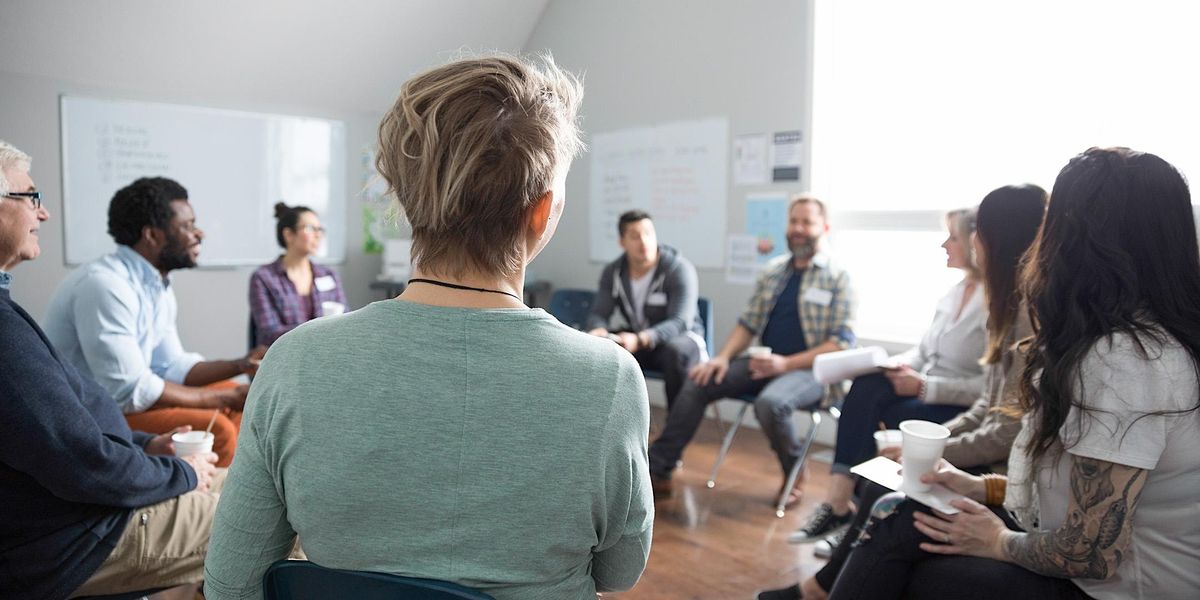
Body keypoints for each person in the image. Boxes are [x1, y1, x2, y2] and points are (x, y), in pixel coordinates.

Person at [203, 54, 652, 600]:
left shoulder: (295, 362)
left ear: (405, 198)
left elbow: (232, 584)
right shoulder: (607, 379)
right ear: (542, 213)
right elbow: (620, 570)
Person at [826, 148, 1200, 600]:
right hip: (1090, 561)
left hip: (1115, 589)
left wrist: (997, 542)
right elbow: (1070, 494)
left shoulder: (1123, 360)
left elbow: (1092, 553)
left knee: (918, 556)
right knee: (902, 514)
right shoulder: (1140, 339)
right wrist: (979, 487)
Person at [758, 185, 1046, 600]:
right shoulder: (970, 299)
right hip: (952, 409)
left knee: (883, 487)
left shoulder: (1017, 314)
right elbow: (981, 395)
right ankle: (833, 530)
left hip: (963, 417)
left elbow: (999, 419)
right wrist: (902, 368)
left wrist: (933, 432)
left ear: (985, 241)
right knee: (869, 385)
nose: (948, 242)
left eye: (961, 234)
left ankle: (823, 572)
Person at [0, 140, 221, 600]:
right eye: (31, 198)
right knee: (281, 525)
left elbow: (59, 432)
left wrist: (148, 447)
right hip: (78, 537)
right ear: (153, 235)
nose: (43, 215)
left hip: (86, 501)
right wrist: (179, 473)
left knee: (257, 485)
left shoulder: (9, 312)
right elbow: (85, 457)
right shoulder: (98, 286)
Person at [43, 177, 264, 468]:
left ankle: (226, 503)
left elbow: (172, 367)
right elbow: (129, 390)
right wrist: (222, 400)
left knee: (231, 395)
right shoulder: (104, 285)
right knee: (219, 428)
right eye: (186, 226)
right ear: (152, 235)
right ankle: (206, 510)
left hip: (125, 399)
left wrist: (240, 365)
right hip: (91, 413)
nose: (200, 233)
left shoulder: (154, 283)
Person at [648, 194, 855, 504]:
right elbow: (748, 324)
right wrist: (721, 358)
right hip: (765, 361)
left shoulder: (839, 277)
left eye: (806, 222)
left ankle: (794, 468)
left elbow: (841, 342)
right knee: (698, 380)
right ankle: (658, 468)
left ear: (823, 227)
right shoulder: (774, 272)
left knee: (771, 404)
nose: (798, 228)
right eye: (793, 220)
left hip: (813, 370)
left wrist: (785, 365)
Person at [586, 209, 705, 409]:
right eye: (635, 236)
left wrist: (641, 339)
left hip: (681, 341)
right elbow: (599, 313)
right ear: (622, 242)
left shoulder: (678, 269)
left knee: (675, 352)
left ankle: (673, 432)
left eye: (649, 233)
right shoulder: (613, 272)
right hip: (640, 341)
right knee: (600, 346)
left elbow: (680, 321)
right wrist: (598, 330)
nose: (644, 241)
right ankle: (609, 420)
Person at [249, 202, 348, 347]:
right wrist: (321, 331)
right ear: (288, 234)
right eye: (310, 228)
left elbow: (345, 319)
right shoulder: (264, 278)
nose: (318, 235)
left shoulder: (328, 275)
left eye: (320, 229)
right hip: (284, 359)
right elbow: (270, 332)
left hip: (326, 355)